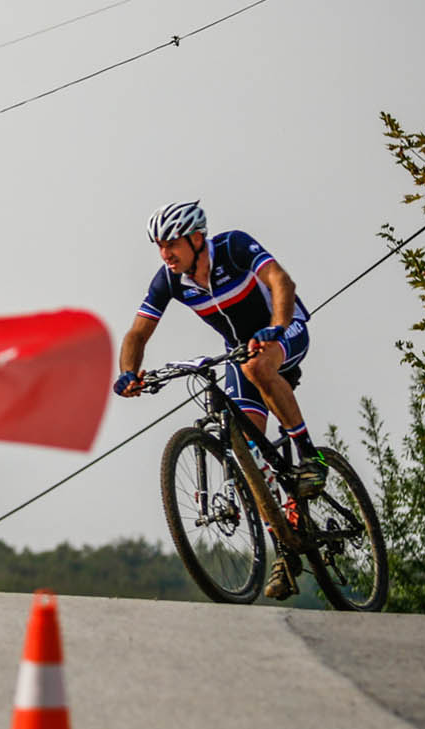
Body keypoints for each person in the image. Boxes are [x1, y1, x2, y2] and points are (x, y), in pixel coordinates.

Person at [112, 199, 323, 601]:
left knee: (257, 369)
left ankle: (311, 457)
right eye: (159, 245)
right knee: (247, 455)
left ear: (196, 238)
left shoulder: (233, 248)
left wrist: (278, 327)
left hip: (285, 328)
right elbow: (137, 334)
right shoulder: (170, 280)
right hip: (241, 349)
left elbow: (280, 281)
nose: (165, 254)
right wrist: (128, 372)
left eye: (171, 243)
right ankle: (286, 545)